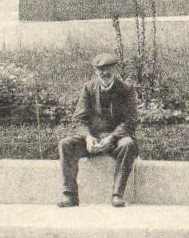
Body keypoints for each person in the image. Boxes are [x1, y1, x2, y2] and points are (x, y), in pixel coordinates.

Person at [58, 51, 138, 208]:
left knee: (128, 144)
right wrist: (88, 137)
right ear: (95, 71)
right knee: (65, 144)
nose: (105, 73)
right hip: (93, 140)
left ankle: (117, 194)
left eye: (108, 69)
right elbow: (79, 118)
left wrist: (112, 138)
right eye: (100, 70)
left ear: (115, 69)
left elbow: (131, 120)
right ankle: (70, 195)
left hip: (116, 141)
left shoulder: (126, 89)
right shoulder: (88, 89)